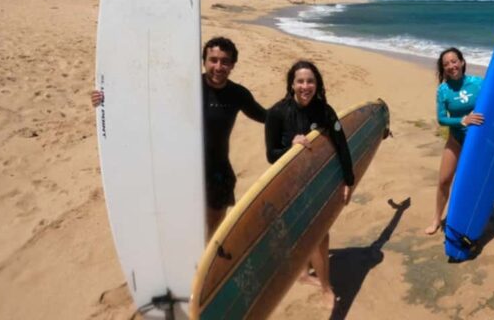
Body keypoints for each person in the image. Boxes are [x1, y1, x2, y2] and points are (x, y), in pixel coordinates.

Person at [91, 37, 266, 238]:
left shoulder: (238, 94)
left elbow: (266, 117)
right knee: (180, 226)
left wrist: (297, 115)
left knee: (214, 228)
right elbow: (144, 104)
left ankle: (207, 262)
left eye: (225, 61)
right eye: (213, 60)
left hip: (218, 171)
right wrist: (106, 100)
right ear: (204, 62)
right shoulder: (185, 87)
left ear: (233, 64)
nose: (219, 66)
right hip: (181, 169)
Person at [264, 60, 354, 308]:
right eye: (300, 81)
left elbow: (341, 145)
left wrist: (348, 181)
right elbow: (271, 155)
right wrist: (290, 148)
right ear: (291, 84)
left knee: (317, 233)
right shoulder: (277, 113)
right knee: (310, 233)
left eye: (310, 81)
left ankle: (314, 278)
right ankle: (319, 283)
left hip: (316, 181)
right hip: (289, 182)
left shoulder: (325, 111)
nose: (305, 86)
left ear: (317, 84)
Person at [425, 47, 484, 235]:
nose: (451, 66)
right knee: (444, 180)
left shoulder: (478, 83)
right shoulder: (443, 90)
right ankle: (436, 219)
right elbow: (442, 119)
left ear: (462, 62)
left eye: (454, 61)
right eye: (446, 64)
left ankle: (474, 215)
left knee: (473, 182)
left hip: (477, 142)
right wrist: (462, 120)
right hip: (456, 139)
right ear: (443, 69)